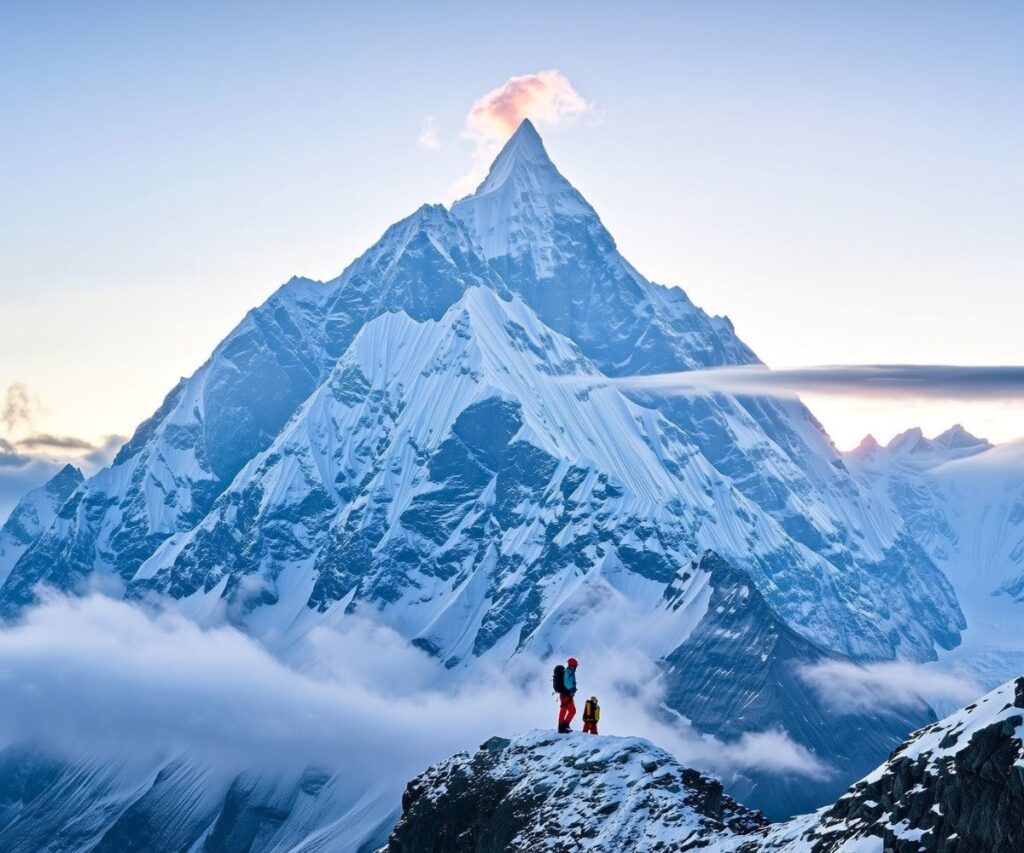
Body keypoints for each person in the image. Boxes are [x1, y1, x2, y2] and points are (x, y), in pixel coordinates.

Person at [557, 657, 578, 733]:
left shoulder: (568, 671)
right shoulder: (569, 672)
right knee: (571, 710)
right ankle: (563, 727)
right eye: (575, 666)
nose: (576, 667)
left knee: (564, 709)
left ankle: (563, 726)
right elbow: (568, 684)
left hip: (564, 694)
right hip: (567, 695)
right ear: (573, 665)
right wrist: (571, 691)